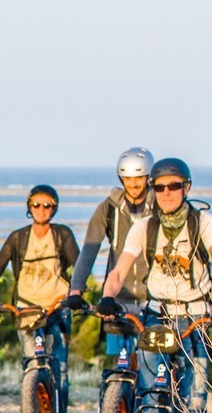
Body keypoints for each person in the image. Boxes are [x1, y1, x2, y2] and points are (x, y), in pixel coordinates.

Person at [99, 157, 212, 413]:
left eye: (173, 185)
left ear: (186, 187)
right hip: (156, 315)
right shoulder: (143, 227)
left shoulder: (204, 223)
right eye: (159, 187)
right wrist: (107, 296)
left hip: (194, 318)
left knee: (193, 400)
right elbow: (120, 269)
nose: (166, 192)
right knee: (150, 393)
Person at [0, 185, 80, 413]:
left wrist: (77, 292)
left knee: (61, 371)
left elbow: (79, 264)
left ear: (54, 208)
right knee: (31, 365)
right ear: (29, 206)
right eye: (36, 204)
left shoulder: (62, 235)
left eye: (47, 205)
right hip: (26, 309)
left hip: (57, 307)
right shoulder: (18, 237)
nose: (41, 209)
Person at [66, 148, 157, 362]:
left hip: (153, 297)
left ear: (149, 178)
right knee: (118, 364)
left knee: (153, 364)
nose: (133, 185)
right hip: (117, 298)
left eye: (138, 179)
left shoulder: (160, 207)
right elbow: (89, 249)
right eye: (127, 179)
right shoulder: (108, 209)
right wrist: (76, 289)